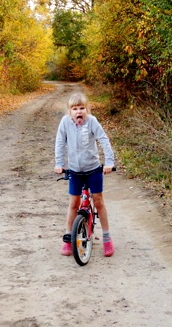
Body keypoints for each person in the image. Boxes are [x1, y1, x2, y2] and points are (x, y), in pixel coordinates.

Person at [54, 92, 116, 257]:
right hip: (75, 170)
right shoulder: (65, 123)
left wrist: (109, 162)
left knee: (98, 201)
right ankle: (68, 238)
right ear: (70, 111)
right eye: (74, 108)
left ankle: (106, 237)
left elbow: (103, 139)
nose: (78, 111)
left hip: (93, 169)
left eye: (82, 108)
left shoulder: (92, 121)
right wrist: (59, 164)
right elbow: (60, 142)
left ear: (87, 110)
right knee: (74, 203)